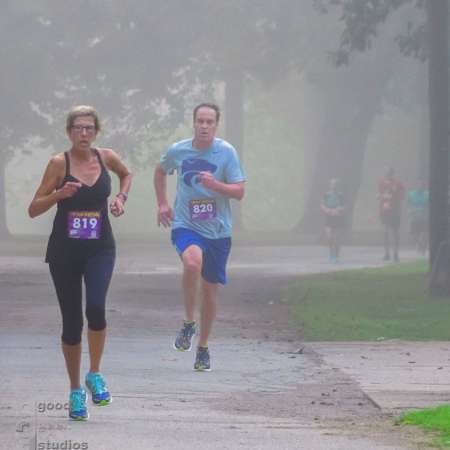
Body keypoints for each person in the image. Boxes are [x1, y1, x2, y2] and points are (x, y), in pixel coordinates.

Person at [28, 105, 132, 420]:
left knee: (97, 308)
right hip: (65, 253)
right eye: (78, 128)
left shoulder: (107, 157)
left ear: (96, 131)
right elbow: (33, 208)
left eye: (89, 128)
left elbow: (126, 175)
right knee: (72, 322)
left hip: (100, 248)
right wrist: (59, 194)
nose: (83, 134)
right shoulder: (58, 164)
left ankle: (95, 373)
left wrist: (120, 199)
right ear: (69, 132)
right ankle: (75, 390)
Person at [153, 102, 245, 372]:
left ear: (216, 125)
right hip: (186, 224)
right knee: (192, 263)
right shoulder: (178, 150)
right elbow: (160, 170)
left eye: (210, 122)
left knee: (209, 291)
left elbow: (239, 192)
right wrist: (162, 203)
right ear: (193, 123)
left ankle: (203, 346)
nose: (204, 126)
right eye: (200, 121)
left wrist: (216, 185)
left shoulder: (226, 153)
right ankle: (188, 322)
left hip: (218, 231)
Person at [377, 167, 405, 262]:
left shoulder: (398, 183)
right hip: (385, 210)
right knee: (385, 231)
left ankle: (395, 253)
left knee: (395, 232)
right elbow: (379, 194)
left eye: (390, 174)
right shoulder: (381, 183)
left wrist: (394, 191)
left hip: (395, 210)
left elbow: (402, 196)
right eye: (387, 174)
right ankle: (387, 253)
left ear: (393, 174)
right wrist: (381, 197)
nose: (389, 176)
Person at [320, 178, 345, 263]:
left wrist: (338, 210)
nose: (334, 186)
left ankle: (336, 256)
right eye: (332, 184)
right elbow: (322, 205)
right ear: (330, 185)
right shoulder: (326, 195)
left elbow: (344, 206)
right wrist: (328, 210)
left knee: (337, 239)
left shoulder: (341, 195)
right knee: (329, 237)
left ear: (338, 186)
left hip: (338, 218)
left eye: (335, 184)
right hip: (329, 218)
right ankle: (331, 255)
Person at [407, 178, 429, 255]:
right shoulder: (411, 194)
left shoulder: (427, 194)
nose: (420, 186)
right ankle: (420, 244)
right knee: (414, 234)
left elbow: (430, 205)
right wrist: (409, 210)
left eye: (422, 184)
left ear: (423, 185)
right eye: (419, 184)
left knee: (424, 233)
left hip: (424, 217)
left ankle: (423, 247)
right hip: (414, 217)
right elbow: (408, 204)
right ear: (416, 185)